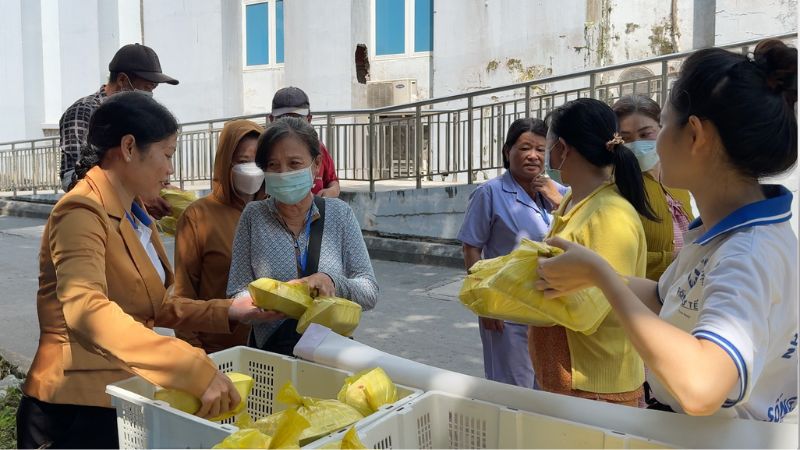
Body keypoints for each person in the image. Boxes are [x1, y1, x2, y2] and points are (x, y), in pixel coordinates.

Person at [535, 40, 797, 421]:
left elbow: (703, 388)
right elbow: (663, 298)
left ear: (694, 135)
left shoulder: (747, 253)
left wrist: (601, 276)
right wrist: (593, 273)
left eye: (660, 126)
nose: (652, 144)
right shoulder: (716, 235)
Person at [17, 93, 278, 449]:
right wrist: (185, 365)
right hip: (70, 407)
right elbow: (85, 309)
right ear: (128, 148)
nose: (171, 170)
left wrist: (231, 310)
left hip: (119, 393)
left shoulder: (133, 213)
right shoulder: (80, 211)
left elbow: (154, 306)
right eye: (167, 155)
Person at [528, 97, 659, 406]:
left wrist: (526, 286)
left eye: (548, 146)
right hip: (571, 382)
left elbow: (603, 305)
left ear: (563, 148)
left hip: (598, 386)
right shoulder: (574, 200)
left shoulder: (609, 214)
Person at [227, 116, 378, 355]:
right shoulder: (253, 216)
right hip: (272, 355)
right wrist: (266, 303)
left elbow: (369, 291)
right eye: (273, 165)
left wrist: (331, 282)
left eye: (294, 163)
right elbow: (236, 291)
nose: (283, 173)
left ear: (316, 165)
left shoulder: (340, 214)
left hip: (331, 353)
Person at [457, 118, 566, 388]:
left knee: (547, 389)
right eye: (525, 148)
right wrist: (484, 303)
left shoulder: (561, 193)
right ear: (508, 152)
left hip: (549, 311)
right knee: (512, 389)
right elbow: (471, 247)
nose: (533, 155)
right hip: (505, 311)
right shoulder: (489, 193)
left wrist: (558, 202)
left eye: (540, 149)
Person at [172, 120, 267, 353]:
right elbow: (183, 296)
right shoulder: (198, 216)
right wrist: (197, 354)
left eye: (259, 162)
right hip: (218, 352)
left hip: (272, 350)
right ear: (226, 162)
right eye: (243, 161)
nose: (252, 169)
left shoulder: (275, 212)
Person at [59, 43, 177, 218]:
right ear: (122, 80)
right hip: (101, 214)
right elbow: (71, 178)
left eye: (152, 90)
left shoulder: (139, 114)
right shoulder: (83, 111)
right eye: (146, 88)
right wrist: (135, 195)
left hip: (130, 215)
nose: (150, 95)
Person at [613, 95, 694, 280]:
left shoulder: (678, 181)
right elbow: (616, 259)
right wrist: (676, 260)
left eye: (645, 134)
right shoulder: (615, 187)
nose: (636, 144)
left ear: (662, 130)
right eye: (625, 138)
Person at [269, 87, 341, 198]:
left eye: (297, 119)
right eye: (283, 119)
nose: (290, 125)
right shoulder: (264, 149)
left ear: (309, 119)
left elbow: (332, 181)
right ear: (271, 119)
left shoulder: (318, 148)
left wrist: (330, 193)